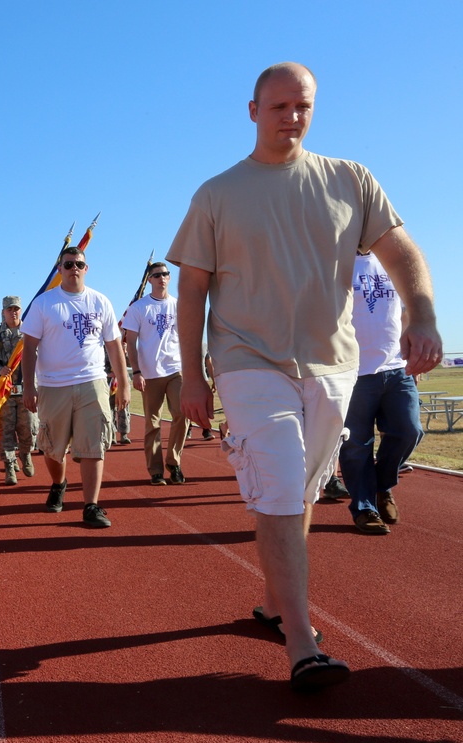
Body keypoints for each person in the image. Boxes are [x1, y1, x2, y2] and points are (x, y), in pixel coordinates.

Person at [168, 62, 442, 691]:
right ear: (253, 110)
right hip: (246, 359)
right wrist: (192, 377)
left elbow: (403, 254)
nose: (292, 116)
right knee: (284, 481)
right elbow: (191, 293)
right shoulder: (216, 194)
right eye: (279, 106)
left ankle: (272, 601)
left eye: (303, 106)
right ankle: (301, 639)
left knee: (304, 489)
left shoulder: (350, 179)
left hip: (333, 364)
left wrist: (424, 314)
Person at [21, 247, 130, 528]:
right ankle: (59, 483)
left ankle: (91, 505)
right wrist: (29, 388)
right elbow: (30, 348)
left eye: (78, 264)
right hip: (53, 385)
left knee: (94, 445)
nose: (73, 269)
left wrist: (124, 382)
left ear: (86, 268)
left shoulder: (100, 301)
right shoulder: (44, 304)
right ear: (60, 269)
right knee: (52, 448)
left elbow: (114, 345)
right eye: (68, 264)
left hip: (92, 381)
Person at [339, 251, 424, 535]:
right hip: (353, 372)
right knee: (355, 446)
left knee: (409, 430)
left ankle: (381, 485)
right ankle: (364, 508)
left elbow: (405, 312)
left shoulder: (391, 260)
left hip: (397, 367)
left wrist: (412, 352)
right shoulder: (334, 260)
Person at [122, 261, 188, 486]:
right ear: (149, 279)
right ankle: (156, 471)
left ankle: (174, 462)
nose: (162, 278)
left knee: (182, 414)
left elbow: (187, 338)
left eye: (166, 274)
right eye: (157, 274)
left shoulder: (178, 305)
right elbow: (130, 342)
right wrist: (136, 371)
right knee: (153, 423)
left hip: (175, 369)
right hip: (149, 373)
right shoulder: (139, 307)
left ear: (170, 278)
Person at [0, 295, 39, 485]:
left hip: (27, 390)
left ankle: (25, 454)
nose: (13, 312)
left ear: (20, 311)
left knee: (28, 428)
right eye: (9, 309)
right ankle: (9, 466)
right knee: (5, 430)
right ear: (3, 312)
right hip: (4, 393)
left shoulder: (30, 332)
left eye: (16, 309)